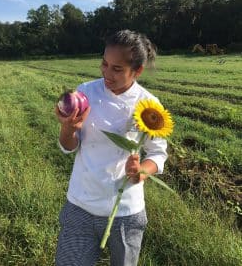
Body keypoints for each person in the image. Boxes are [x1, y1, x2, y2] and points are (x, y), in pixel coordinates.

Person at [55, 30, 168, 266]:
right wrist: (67, 129)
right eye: (104, 64)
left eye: (117, 69)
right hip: (81, 204)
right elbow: (69, 147)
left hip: (125, 211)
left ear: (137, 71)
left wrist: (142, 172)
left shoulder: (148, 105)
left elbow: (158, 153)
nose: (107, 73)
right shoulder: (86, 92)